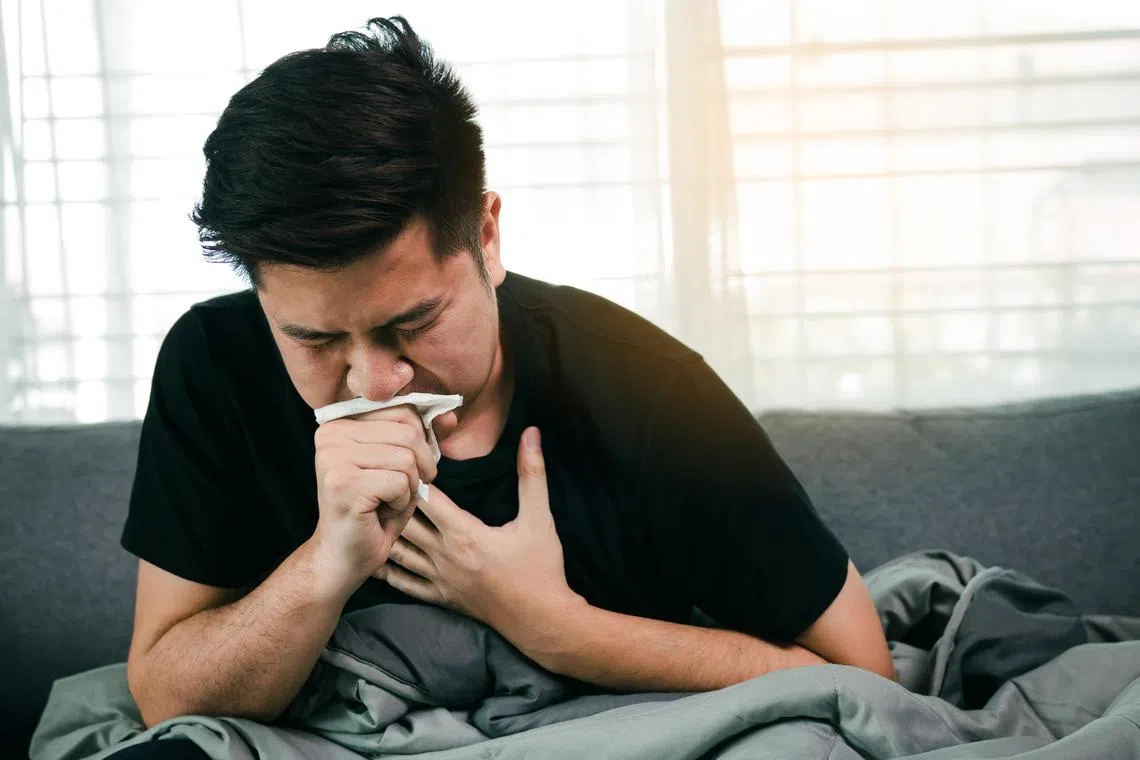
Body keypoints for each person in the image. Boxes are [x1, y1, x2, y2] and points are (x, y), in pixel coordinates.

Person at [116, 15, 894, 758]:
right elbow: (163, 694)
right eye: (314, 339)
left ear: (486, 238)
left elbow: (865, 679)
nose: (374, 383)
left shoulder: (650, 392)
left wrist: (560, 630)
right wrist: (325, 565)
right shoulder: (213, 363)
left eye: (413, 322)